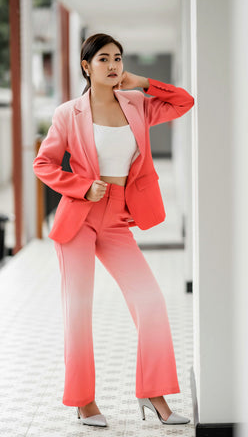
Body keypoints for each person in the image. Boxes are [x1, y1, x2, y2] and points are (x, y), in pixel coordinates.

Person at [33, 33, 194, 428]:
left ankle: (153, 393)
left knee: (151, 302)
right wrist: (82, 185)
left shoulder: (137, 105)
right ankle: (84, 402)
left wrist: (141, 82)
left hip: (118, 218)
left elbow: (183, 102)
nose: (112, 65)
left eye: (118, 58)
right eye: (103, 59)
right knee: (79, 312)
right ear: (86, 66)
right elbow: (44, 163)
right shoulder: (68, 114)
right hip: (79, 217)